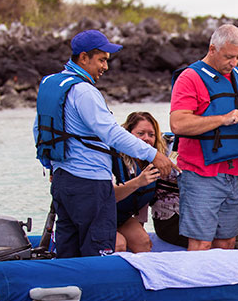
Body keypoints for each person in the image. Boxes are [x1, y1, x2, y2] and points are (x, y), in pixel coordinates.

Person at [34, 29, 173, 258]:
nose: (105, 67)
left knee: (68, 246)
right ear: (83, 57)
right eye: (101, 60)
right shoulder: (84, 91)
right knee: (98, 250)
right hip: (90, 185)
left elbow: (39, 130)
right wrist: (154, 154)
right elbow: (112, 134)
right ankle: (98, 292)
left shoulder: (51, 84)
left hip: (62, 181)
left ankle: (70, 290)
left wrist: (51, 165)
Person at [169, 24, 238, 251]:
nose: (233, 63)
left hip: (233, 175)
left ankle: (222, 286)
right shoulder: (190, 78)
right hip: (199, 174)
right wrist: (224, 119)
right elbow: (178, 123)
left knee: (228, 241)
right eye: (229, 57)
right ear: (212, 49)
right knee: (201, 242)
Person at [112, 112, 175, 253]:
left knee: (143, 241)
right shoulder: (113, 158)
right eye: (140, 133)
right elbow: (109, 195)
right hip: (101, 216)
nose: (146, 139)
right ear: (127, 135)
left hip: (122, 217)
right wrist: (138, 182)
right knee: (119, 244)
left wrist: (138, 227)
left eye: (151, 135)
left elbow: (143, 199)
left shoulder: (151, 163)